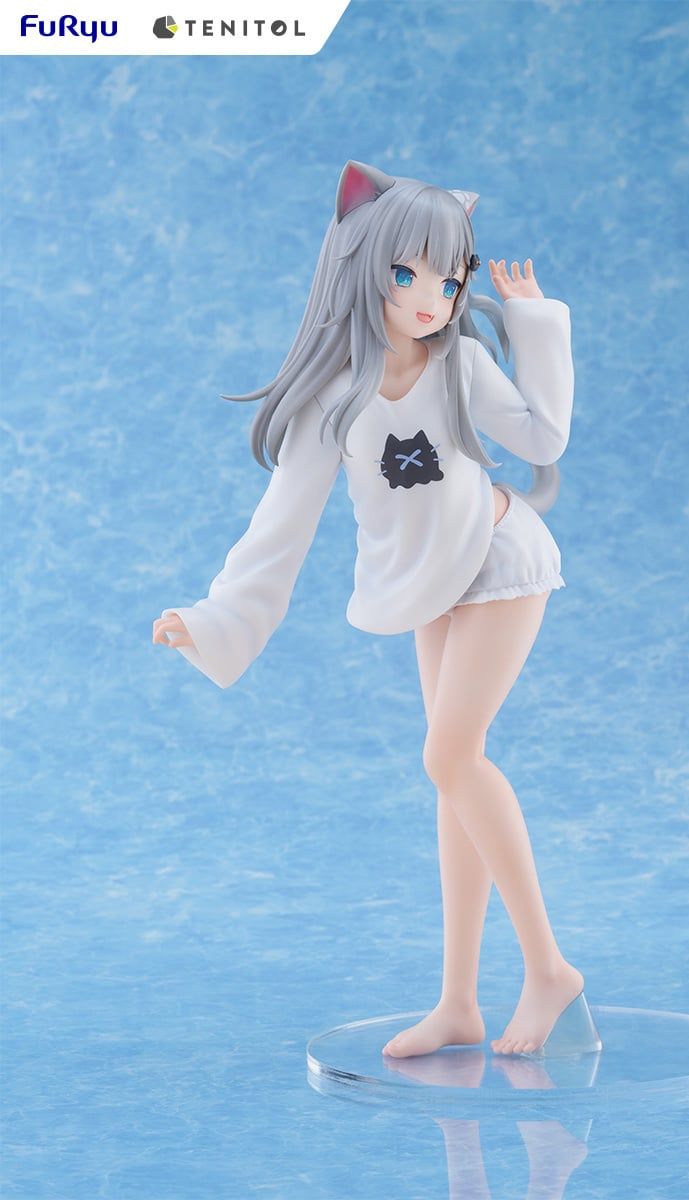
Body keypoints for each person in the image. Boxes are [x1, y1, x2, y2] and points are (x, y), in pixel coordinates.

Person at [152, 160, 599, 1059]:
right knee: (452, 776)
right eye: (408, 274)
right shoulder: (335, 396)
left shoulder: (461, 362)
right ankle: (459, 1002)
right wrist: (217, 616)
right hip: (427, 580)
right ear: (362, 268)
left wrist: (535, 324)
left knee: (450, 755)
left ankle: (550, 969)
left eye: (450, 280)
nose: (433, 299)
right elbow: (281, 526)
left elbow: (543, 436)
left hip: (498, 559)